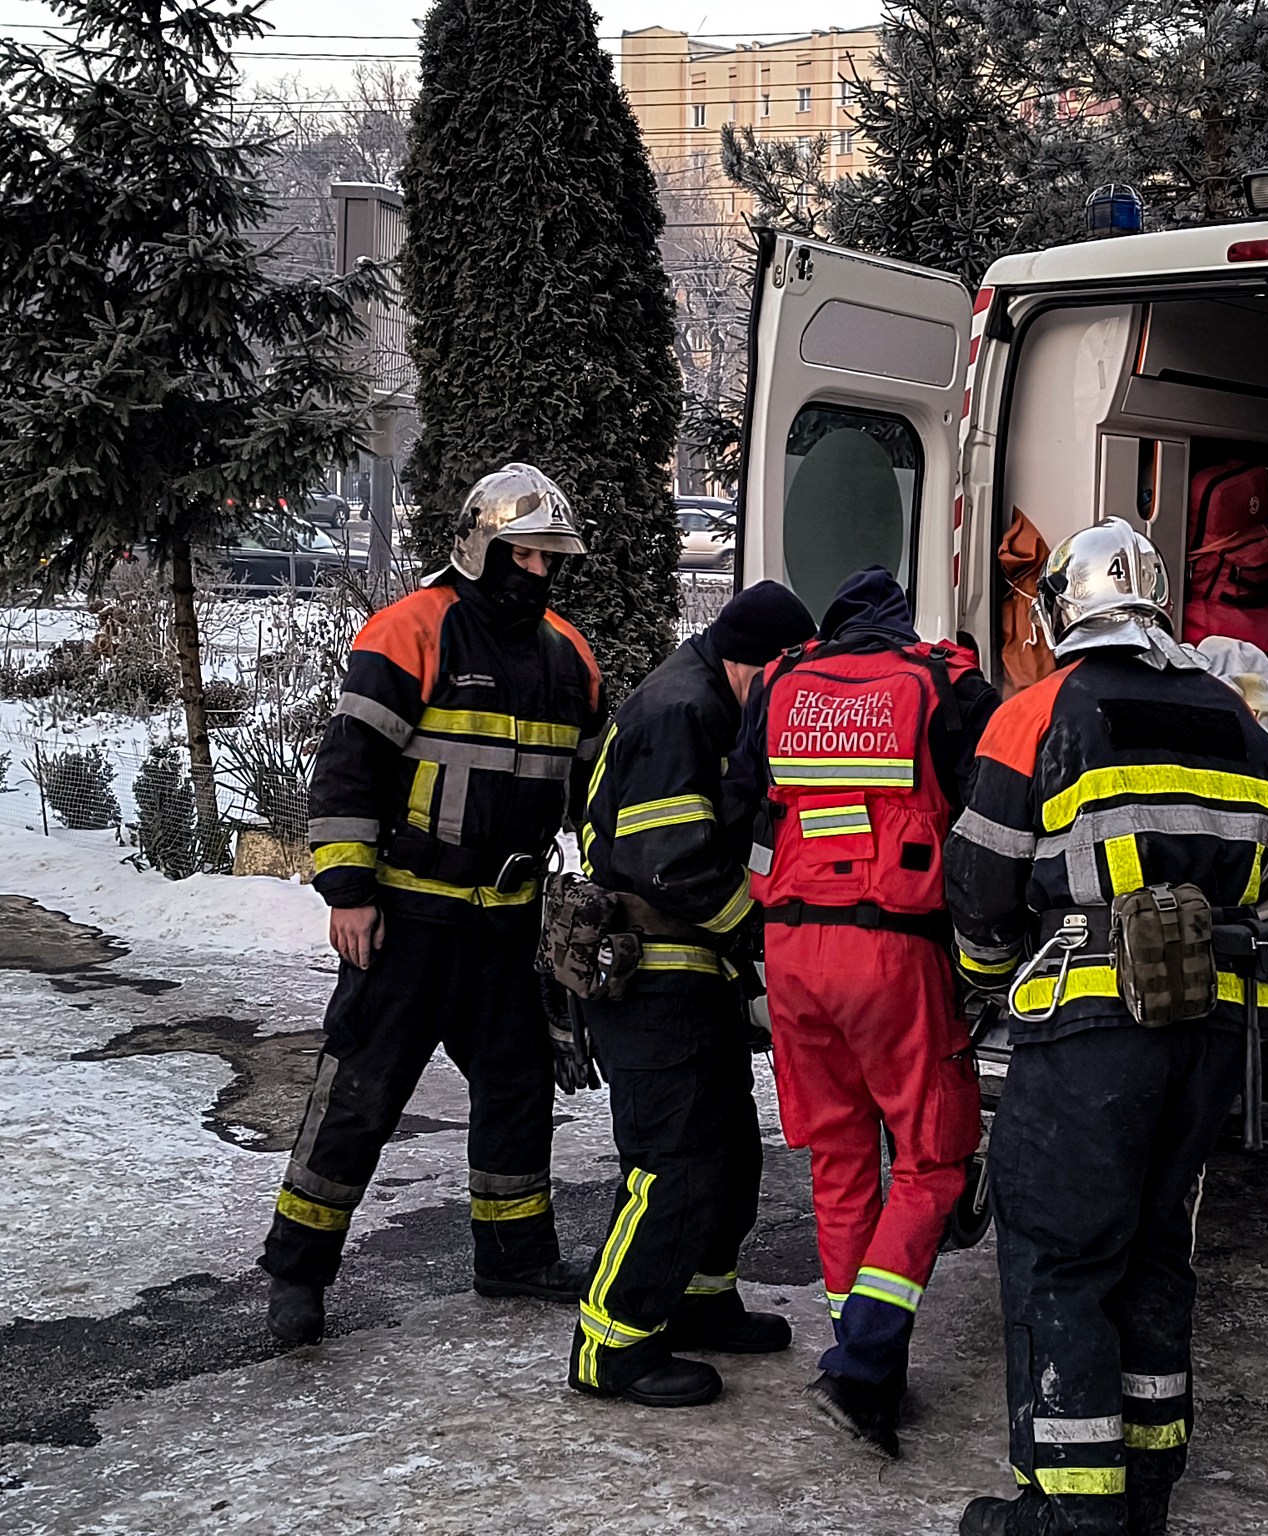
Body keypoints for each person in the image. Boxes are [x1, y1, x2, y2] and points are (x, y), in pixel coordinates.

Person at [948, 521, 1268, 1536]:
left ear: (1062, 610)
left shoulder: (1039, 712)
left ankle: (1068, 1512)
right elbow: (1265, 888)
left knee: (1060, 1256)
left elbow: (978, 883)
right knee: (1152, 1256)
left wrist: (991, 976)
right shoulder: (1240, 724)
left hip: (1091, 1033)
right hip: (1209, 1032)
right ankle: (1144, 1492)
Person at [263, 463, 606, 1345]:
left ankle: (515, 1257)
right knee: (359, 1098)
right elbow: (347, 771)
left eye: (549, 559)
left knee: (520, 1090)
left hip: (508, 924)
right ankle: (297, 1276)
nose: (538, 573)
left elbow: (598, 788)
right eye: (523, 555)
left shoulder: (571, 657)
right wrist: (347, 890)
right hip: (409, 919)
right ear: (479, 545)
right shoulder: (409, 631)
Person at [727, 565, 999, 1457]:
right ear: (897, 624)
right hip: (895, 949)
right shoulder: (942, 682)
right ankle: (864, 1363)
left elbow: (744, 811)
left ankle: (858, 1352)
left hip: (793, 950)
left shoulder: (779, 682)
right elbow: (991, 819)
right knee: (934, 1162)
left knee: (840, 1157)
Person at [567, 581, 819, 1407]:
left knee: (729, 1152)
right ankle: (615, 1344)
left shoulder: (713, 695)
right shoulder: (682, 708)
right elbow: (669, 857)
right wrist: (762, 933)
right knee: (672, 1161)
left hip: (686, 973)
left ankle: (701, 1300)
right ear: (760, 663)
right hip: (651, 974)